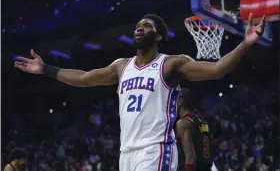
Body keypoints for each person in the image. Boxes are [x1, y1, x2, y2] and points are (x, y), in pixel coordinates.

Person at [14, 13, 265, 171]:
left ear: (159, 36)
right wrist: (45, 68)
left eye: (146, 26)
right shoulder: (121, 66)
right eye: (137, 25)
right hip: (127, 153)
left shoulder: (171, 64)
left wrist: (246, 43)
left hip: (155, 149)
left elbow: (218, 69)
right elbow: (84, 78)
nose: (139, 28)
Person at [176, 88, 218, 171]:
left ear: (180, 101)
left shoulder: (183, 123)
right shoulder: (202, 121)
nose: (171, 103)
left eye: (173, 99)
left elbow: (190, 157)